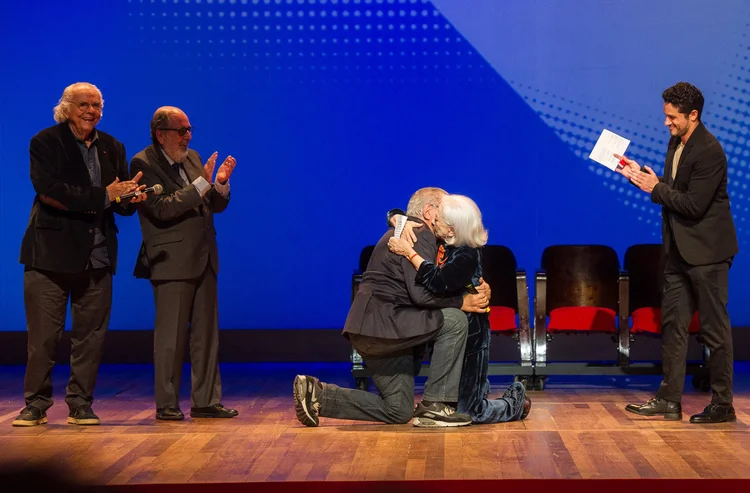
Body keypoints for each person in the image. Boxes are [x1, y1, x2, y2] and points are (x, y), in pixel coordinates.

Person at [293, 187, 490, 427]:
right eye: (445, 208)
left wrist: (473, 288)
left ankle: (318, 396)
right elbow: (422, 295)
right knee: (455, 320)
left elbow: (439, 280)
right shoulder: (420, 233)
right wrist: (462, 302)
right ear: (429, 212)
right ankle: (436, 405)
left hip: (373, 332)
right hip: (387, 327)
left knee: (398, 410)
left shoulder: (408, 230)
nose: (448, 215)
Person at [14, 82, 147, 427]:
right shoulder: (45, 142)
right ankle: (36, 403)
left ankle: (81, 403)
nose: (92, 111)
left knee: (91, 337)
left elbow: (117, 204)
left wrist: (130, 198)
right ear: (67, 108)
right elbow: (51, 193)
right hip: (50, 257)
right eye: (84, 105)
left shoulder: (112, 147)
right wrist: (107, 195)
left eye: (97, 105)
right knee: (43, 337)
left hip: (98, 256)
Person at [616, 81, 738, 423]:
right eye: (666, 116)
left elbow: (694, 205)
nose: (666, 123)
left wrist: (656, 190)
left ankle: (723, 404)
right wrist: (646, 179)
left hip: (708, 253)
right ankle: (669, 399)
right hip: (678, 252)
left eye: (672, 117)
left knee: (714, 330)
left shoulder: (710, 151)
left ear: (693, 115)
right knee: (673, 326)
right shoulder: (676, 142)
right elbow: (675, 192)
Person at [130, 106, 238, 421]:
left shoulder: (192, 158)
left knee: (206, 335)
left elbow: (211, 204)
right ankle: (167, 403)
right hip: (171, 259)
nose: (188, 136)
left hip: (204, 255)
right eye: (182, 131)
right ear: (160, 134)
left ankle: (205, 400)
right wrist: (202, 186)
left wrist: (218, 183)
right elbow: (162, 208)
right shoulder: (143, 162)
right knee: (171, 337)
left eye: (190, 129)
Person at [387, 194, 531, 424]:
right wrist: (395, 217)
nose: (433, 221)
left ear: (452, 228)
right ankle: (473, 394)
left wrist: (409, 253)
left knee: (472, 411)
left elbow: (437, 281)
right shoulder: (444, 242)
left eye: (440, 219)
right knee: (455, 403)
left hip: (472, 333)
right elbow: (404, 215)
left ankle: (513, 402)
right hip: (451, 327)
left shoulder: (467, 253)